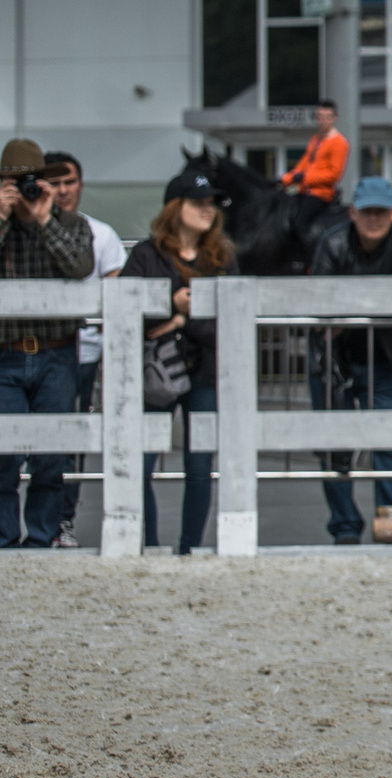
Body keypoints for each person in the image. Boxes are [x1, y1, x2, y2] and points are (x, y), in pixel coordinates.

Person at [307, 174, 392, 544]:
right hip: (333, 361)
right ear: (352, 213)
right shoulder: (332, 242)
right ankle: (344, 527)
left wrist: (350, 313)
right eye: (366, 211)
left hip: (385, 361)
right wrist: (371, 312)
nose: (372, 218)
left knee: (388, 442)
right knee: (335, 448)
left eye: (380, 211)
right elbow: (319, 303)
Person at [125, 170, 231, 555]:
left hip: (203, 371)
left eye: (211, 203)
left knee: (200, 466)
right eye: (198, 202)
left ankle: (190, 548)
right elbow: (126, 312)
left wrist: (181, 319)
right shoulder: (145, 255)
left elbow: (229, 320)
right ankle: (148, 545)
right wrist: (172, 306)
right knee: (140, 462)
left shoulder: (221, 257)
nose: (208, 210)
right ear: (176, 207)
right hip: (156, 371)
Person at [0, 139, 94, 548]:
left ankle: (41, 540)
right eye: (16, 183)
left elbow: (79, 267)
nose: (26, 191)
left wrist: (44, 220)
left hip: (57, 352)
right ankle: (3, 540)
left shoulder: (72, 224)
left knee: (52, 455)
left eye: (31, 182)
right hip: (5, 353)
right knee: (2, 456)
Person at [45, 150, 126, 547]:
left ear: (80, 184)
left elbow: (118, 294)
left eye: (69, 182)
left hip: (85, 354)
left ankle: (63, 521)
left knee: (70, 443)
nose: (62, 191)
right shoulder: (26, 227)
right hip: (37, 346)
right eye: (54, 183)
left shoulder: (101, 234)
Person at [280, 101, 348, 205]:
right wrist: (285, 179)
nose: (323, 121)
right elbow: (303, 164)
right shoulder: (315, 140)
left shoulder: (339, 142)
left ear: (335, 118)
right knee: (281, 198)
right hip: (302, 189)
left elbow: (334, 175)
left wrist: (305, 177)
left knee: (300, 219)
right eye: (320, 117)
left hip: (321, 194)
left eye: (327, 117)